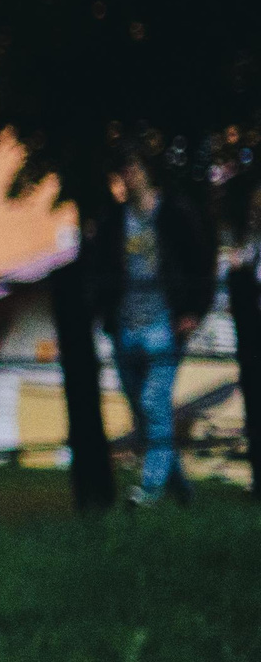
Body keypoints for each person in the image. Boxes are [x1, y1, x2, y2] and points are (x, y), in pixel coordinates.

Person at [87, 156, 217, 507]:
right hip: (125, 326)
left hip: (164, 324)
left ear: (145, 171)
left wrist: (193, 311)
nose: (126, 178)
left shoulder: (174, 213)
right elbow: (101, 270)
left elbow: (200, 260)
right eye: (122, 171)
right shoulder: (114, 220)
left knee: (152, 402)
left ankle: (150, 488)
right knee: (142, 407)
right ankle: (182, 489)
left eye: (131, 169)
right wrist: (105, 316)